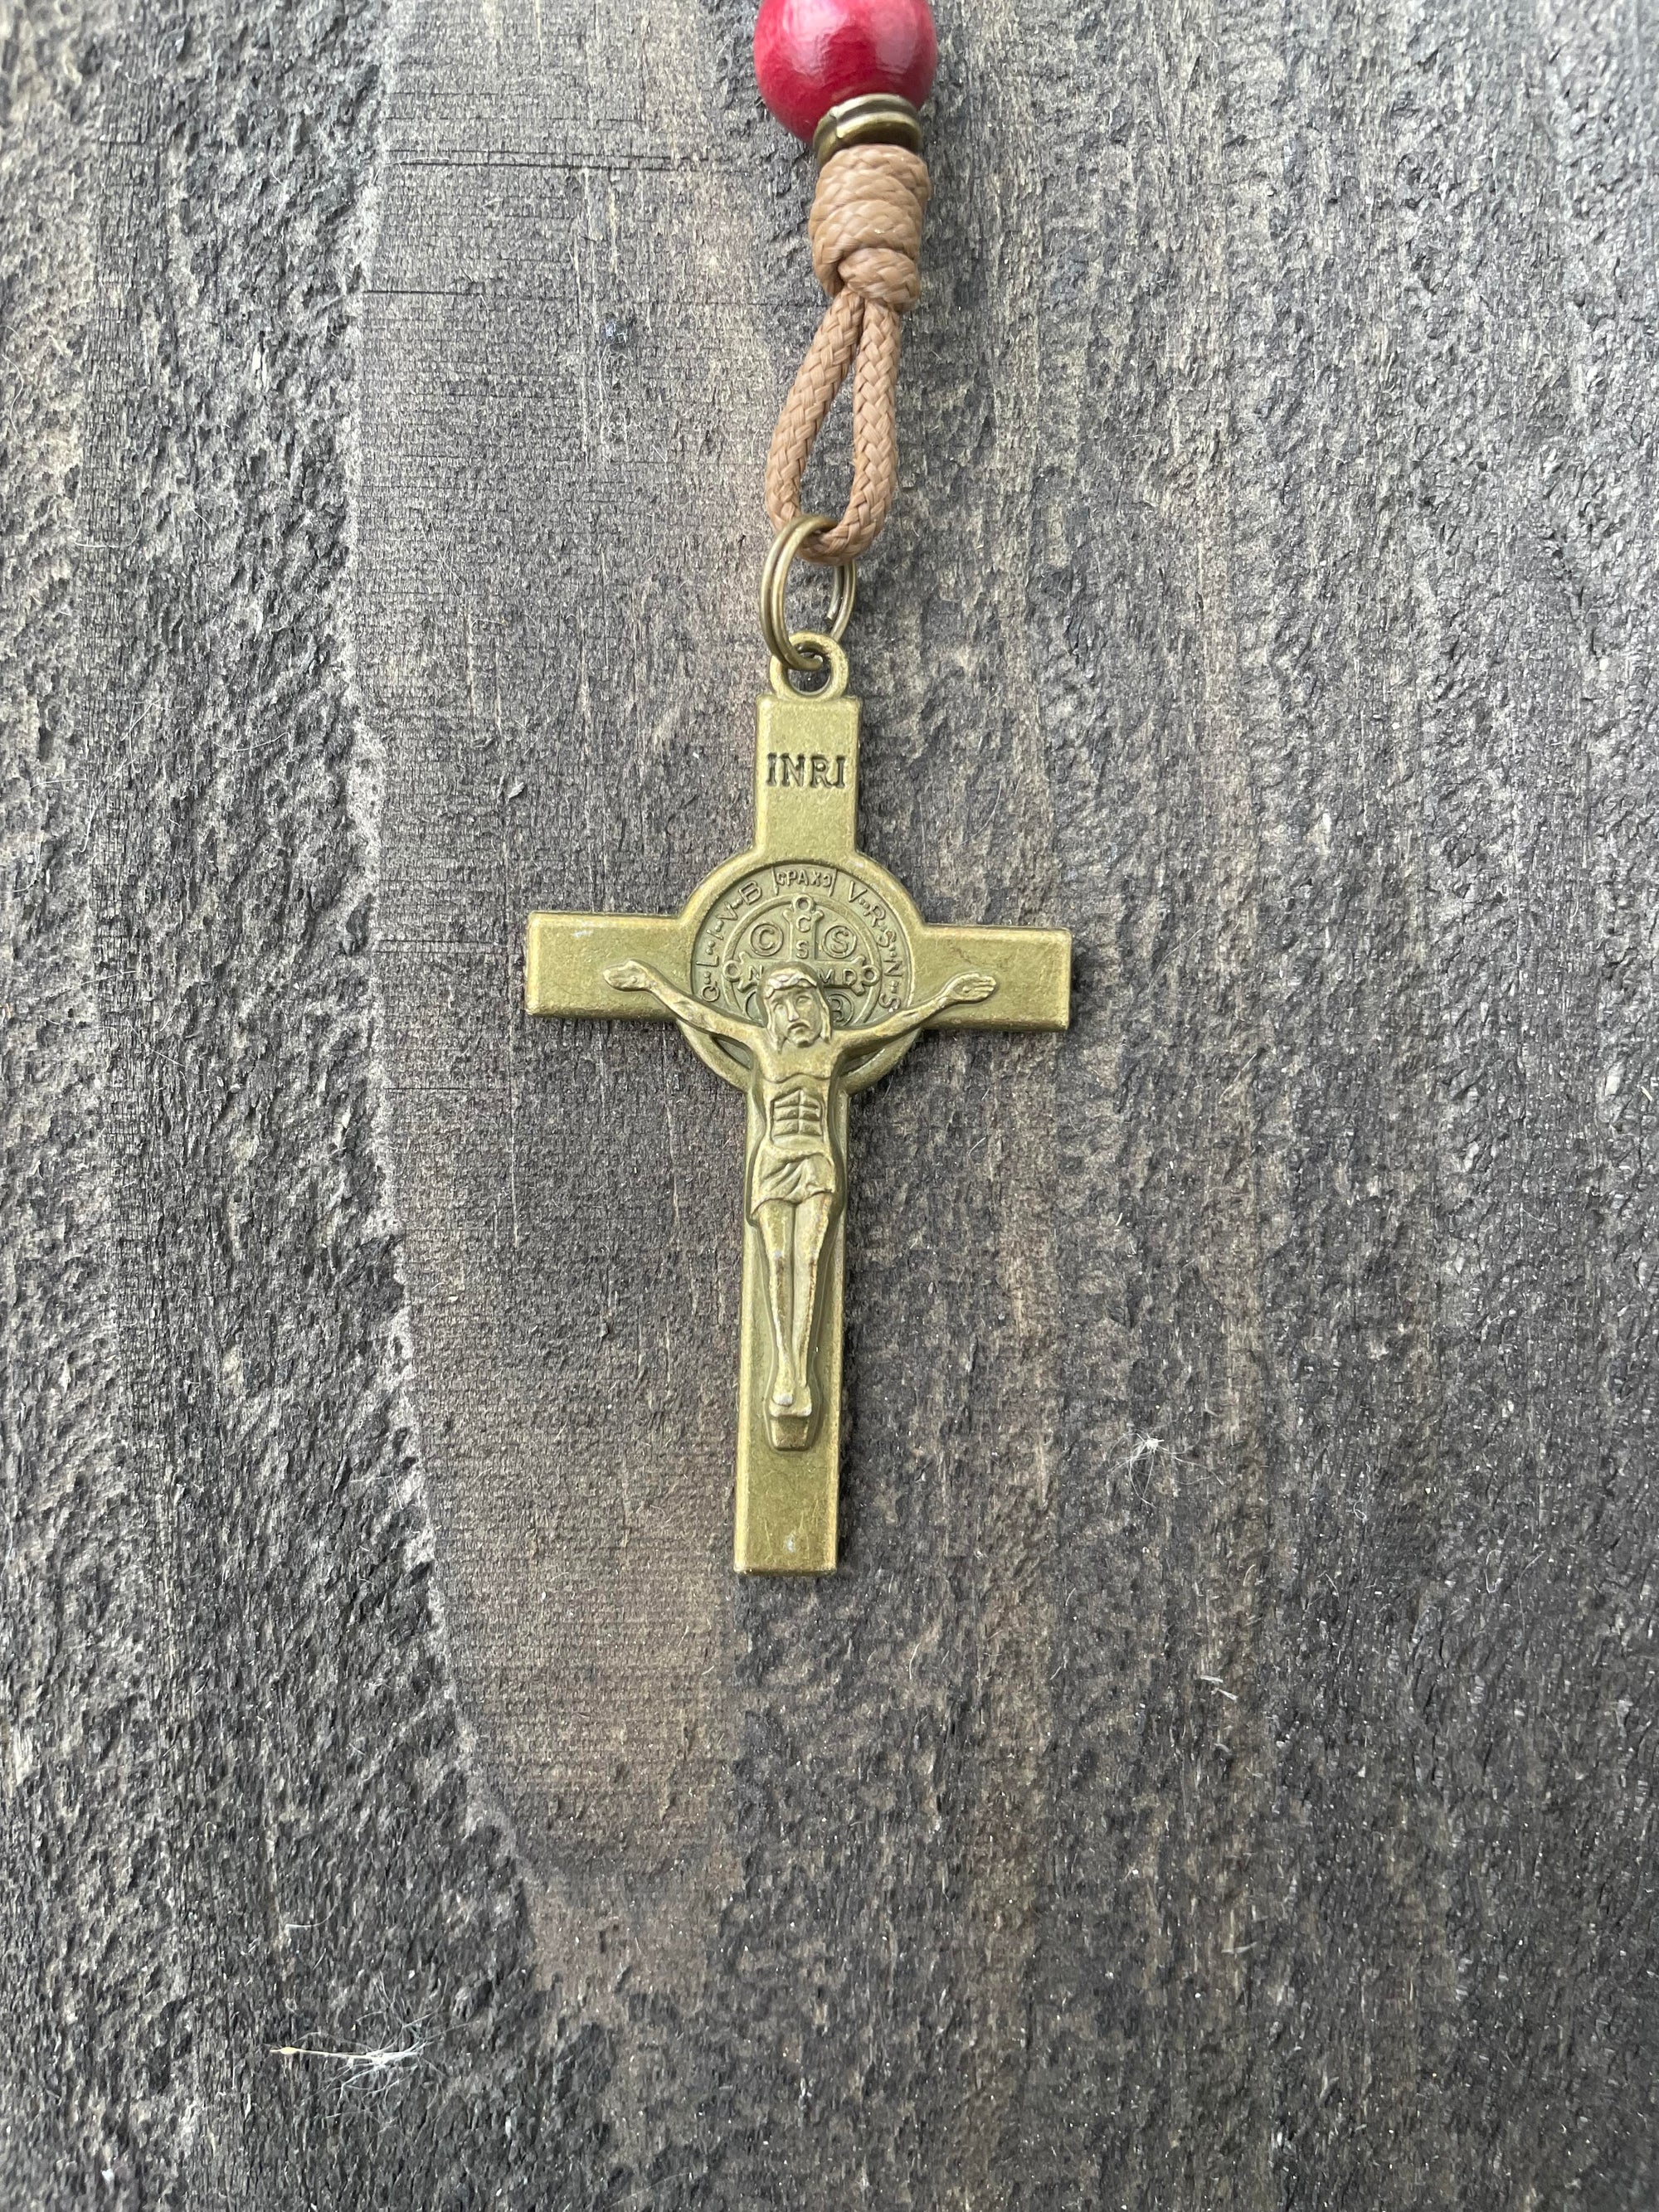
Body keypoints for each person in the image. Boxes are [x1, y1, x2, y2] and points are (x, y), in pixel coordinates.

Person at [603, 957, 996, 1446]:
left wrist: (946, 998)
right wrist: (649, 981)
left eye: (800, 1000)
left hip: (815, 1161)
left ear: (815, 1005)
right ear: (771, 1010)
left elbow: (893, 1024)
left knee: (810, 1258)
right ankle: (785, 1369)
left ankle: (801, 1376)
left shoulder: (833, 1050)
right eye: (781, 1003)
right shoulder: (760, 1046)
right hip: (773, 1163)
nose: (792, 1012)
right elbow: (701, 1015)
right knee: (778, 1258)